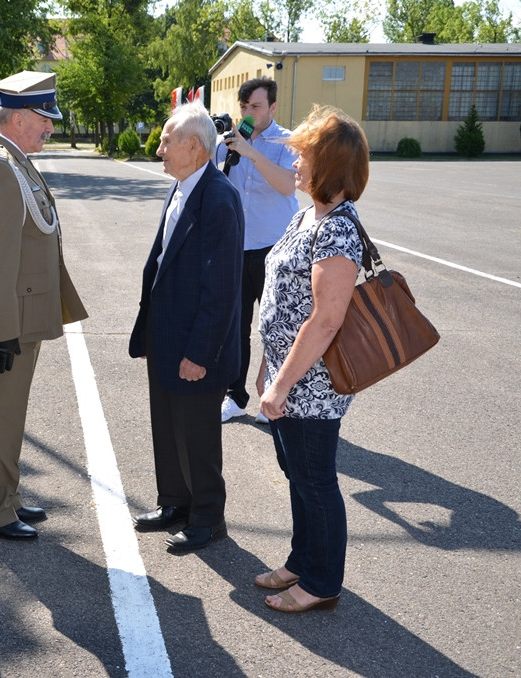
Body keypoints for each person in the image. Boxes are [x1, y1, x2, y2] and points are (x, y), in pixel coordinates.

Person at [0, 70, 87, 540]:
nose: (50, 128)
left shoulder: (9, 158)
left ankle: (4, 495)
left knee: (7, 416)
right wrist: (3, 331)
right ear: (15, 119)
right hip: (4, 322)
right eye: (43, 119)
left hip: (14, 317)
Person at [254, 105, 368, 613]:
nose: (295, 163)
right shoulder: (308, 215)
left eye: (303, 155)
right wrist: (266, 364)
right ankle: (303, 559)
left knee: (316, 481)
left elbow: (325, 320)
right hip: (287, 376)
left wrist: (279, 385)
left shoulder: (339, 230)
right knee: (298, 475)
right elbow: (282, 297)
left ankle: (322, 582)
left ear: (329, 164)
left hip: (312, 387)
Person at [129, 104, 243, 553]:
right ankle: (175, 502)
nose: (158, 149)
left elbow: (220, 290)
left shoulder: (218, 198)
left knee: (197, 434)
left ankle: (208, 518)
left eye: (165, 141)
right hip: (166, 336)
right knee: (168, 425)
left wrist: (199, 353)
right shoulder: (182, 185)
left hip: (197, 346)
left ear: (194, 146)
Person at [214, 78, 299, 425]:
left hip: (274, 250)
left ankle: (273, 394)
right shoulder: (229, 140)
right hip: (236, 248)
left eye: (256, 107)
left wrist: (251, 152)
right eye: (244, 107)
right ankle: (235, 397)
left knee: (276, 326)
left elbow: (286, 185)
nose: (248, 114)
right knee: (235, 326)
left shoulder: (286, 140)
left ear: (273, 108)